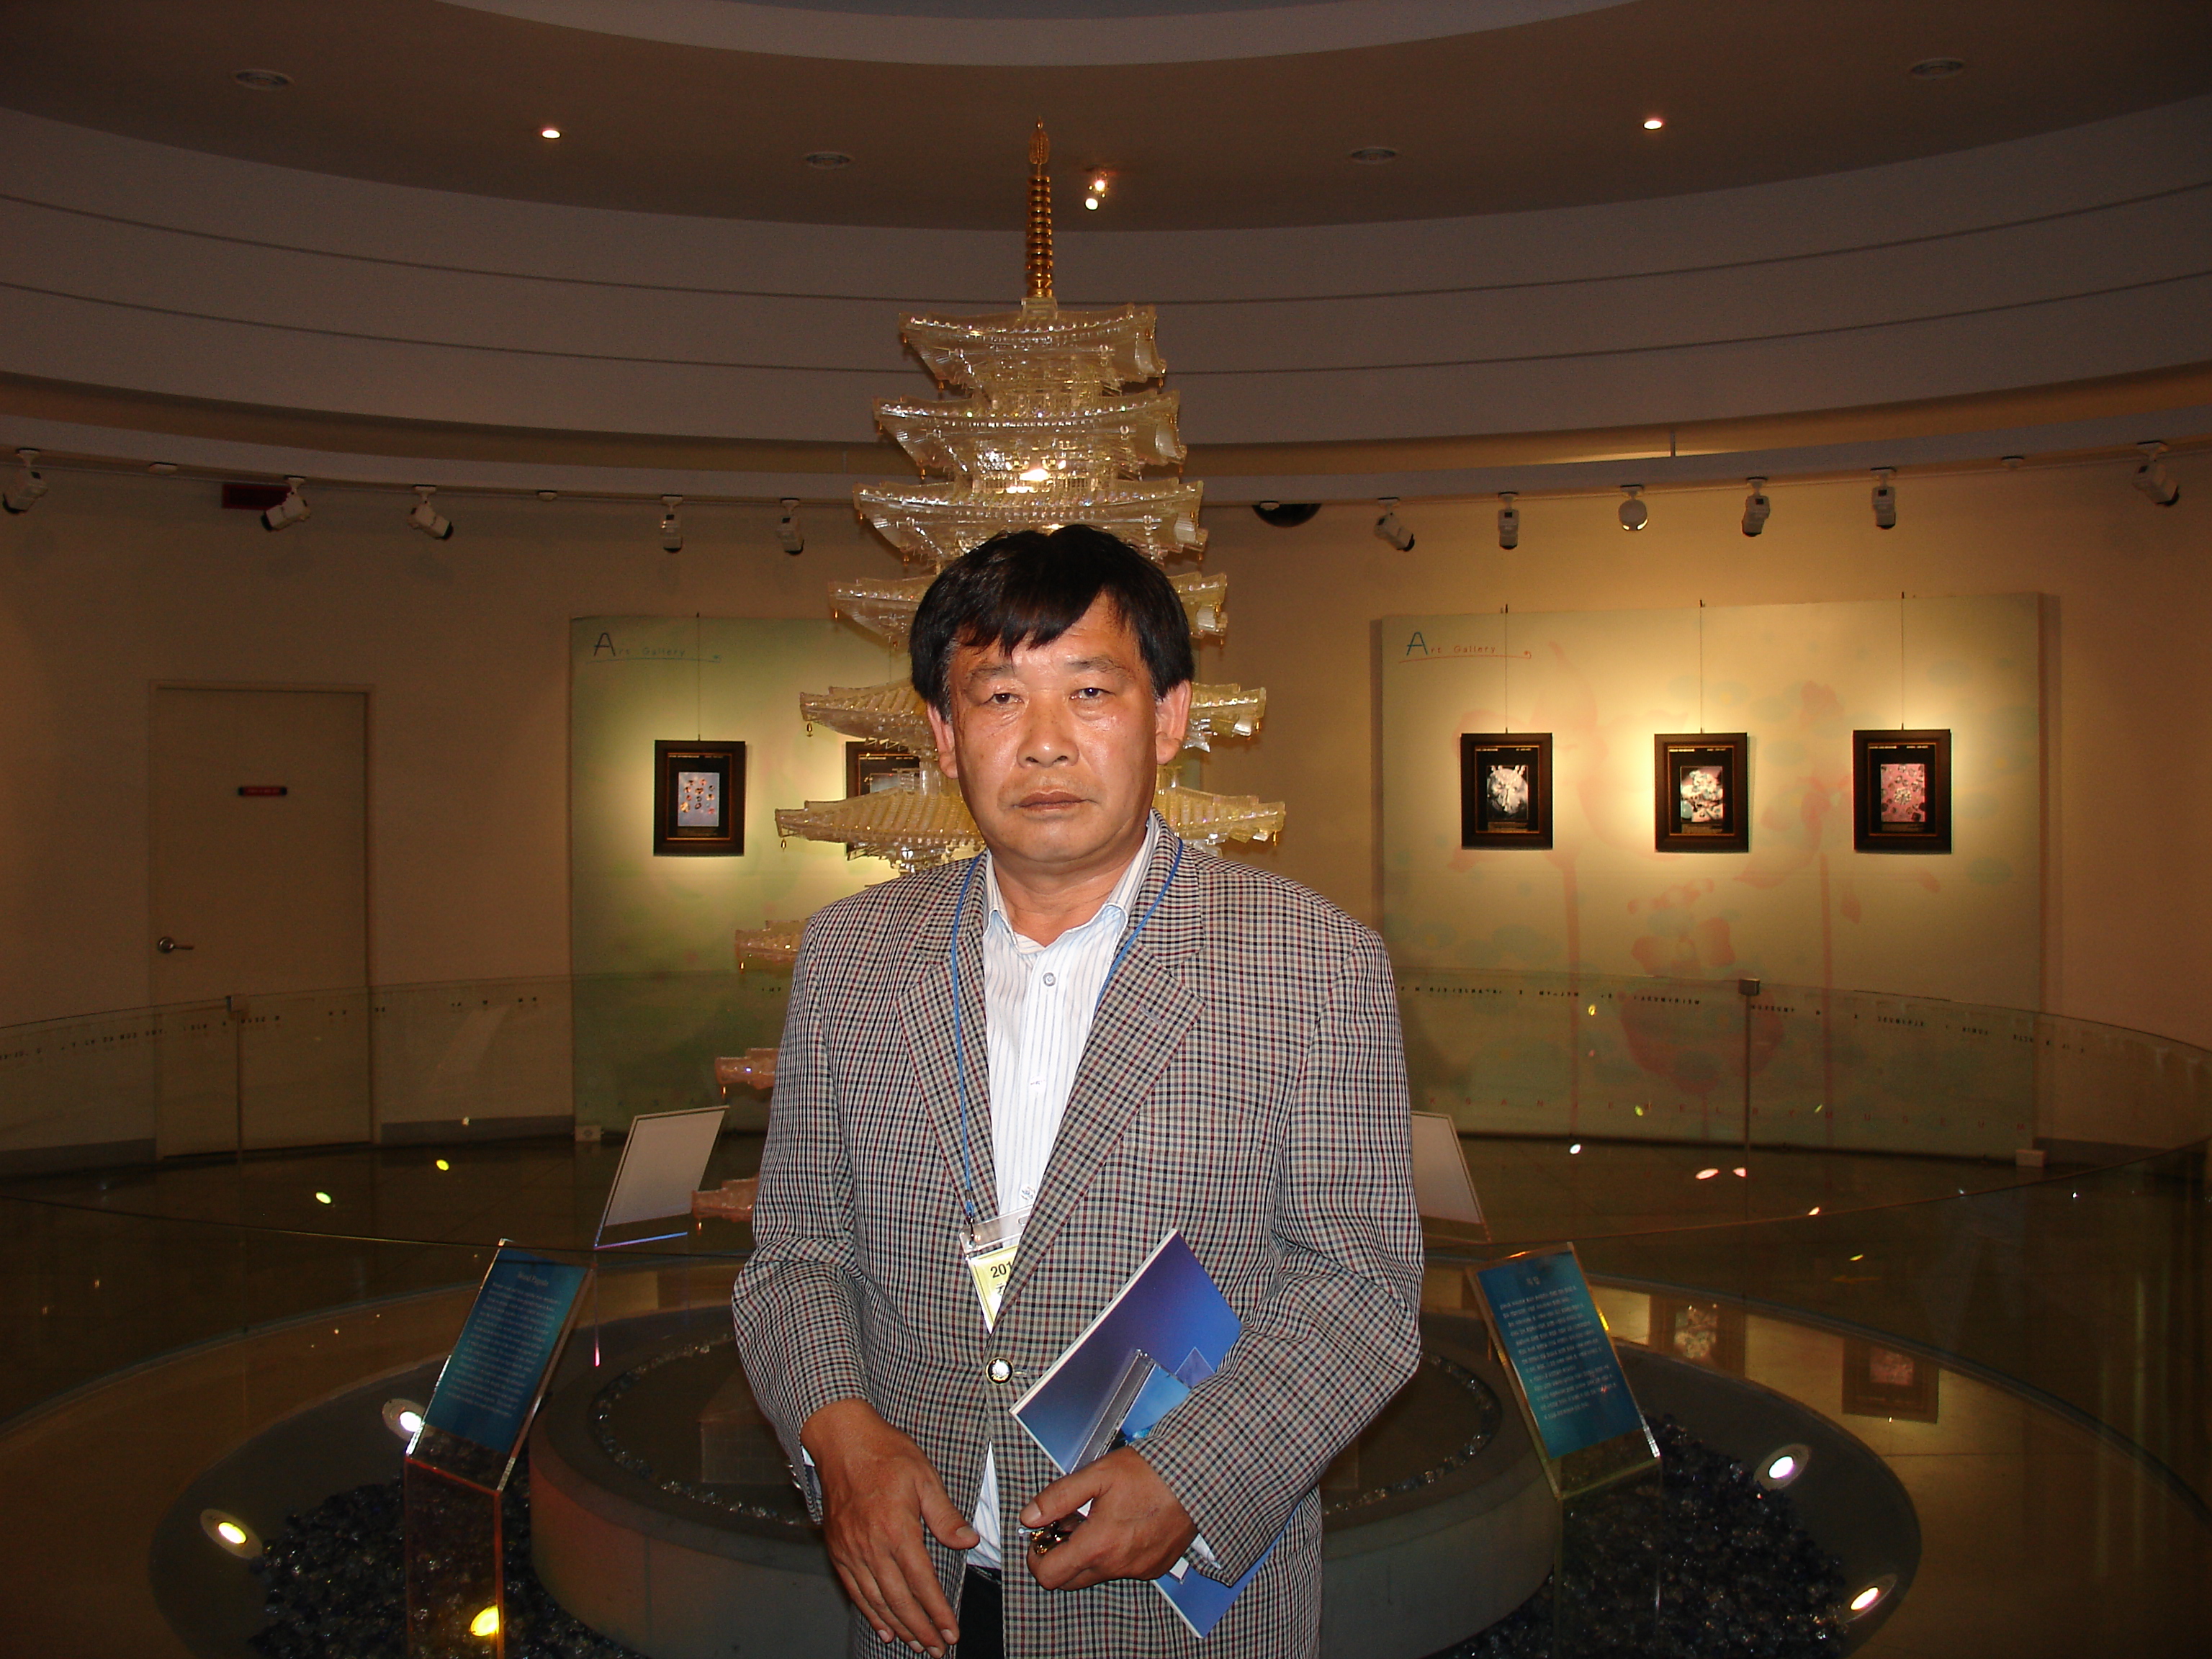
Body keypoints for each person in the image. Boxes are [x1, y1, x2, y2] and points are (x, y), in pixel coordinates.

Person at [732, 525, 1422, 1659]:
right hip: (924, 1595)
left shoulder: (1311, 965)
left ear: (1169, 716)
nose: (1045, 742)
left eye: (1091, 691)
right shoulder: (853, 959)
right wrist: (840, 1438)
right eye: (1000, 698)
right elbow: (797, 1254)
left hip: (1179, 1612)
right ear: (945, 736)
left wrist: (1198, 1472)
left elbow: (1361, 1287)